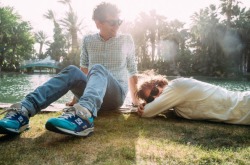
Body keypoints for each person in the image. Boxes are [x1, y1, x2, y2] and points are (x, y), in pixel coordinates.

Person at [0, 2, 139, 136]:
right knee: (73, 70)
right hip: (90, 96)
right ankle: (23, 111)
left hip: (114, 96)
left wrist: (136, 101)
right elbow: (83, 71)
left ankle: (83, 118)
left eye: (118, 22)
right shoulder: (88, 40)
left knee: (97, 68)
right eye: (112, 23)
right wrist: (76, 98)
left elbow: (132, 70)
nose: (117, 26)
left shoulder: (126, 39)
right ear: (98, 23)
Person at [136, 74, 250, 125]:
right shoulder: (175, 103)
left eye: (154, 91)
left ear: (160, 83)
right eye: (151, 98)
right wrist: (147, 103)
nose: (156, 98)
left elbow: (147, 113)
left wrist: (145, 107)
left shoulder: (176, 86)